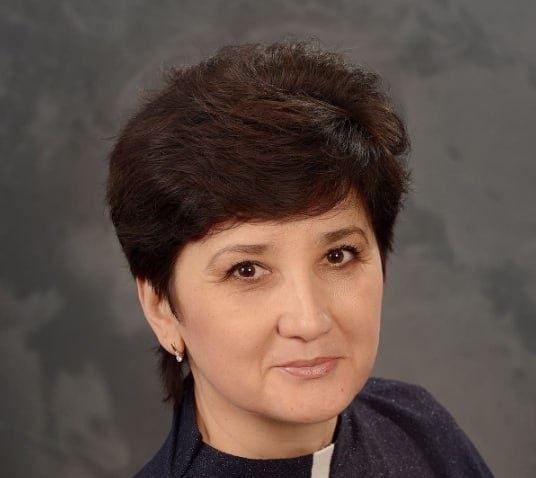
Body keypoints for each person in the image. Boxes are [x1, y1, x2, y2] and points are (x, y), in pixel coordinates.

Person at [107, 40, 492, 478]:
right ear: (162, 308)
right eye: (247, 270)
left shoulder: (416, 428)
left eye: (337, 255)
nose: (309, 322)